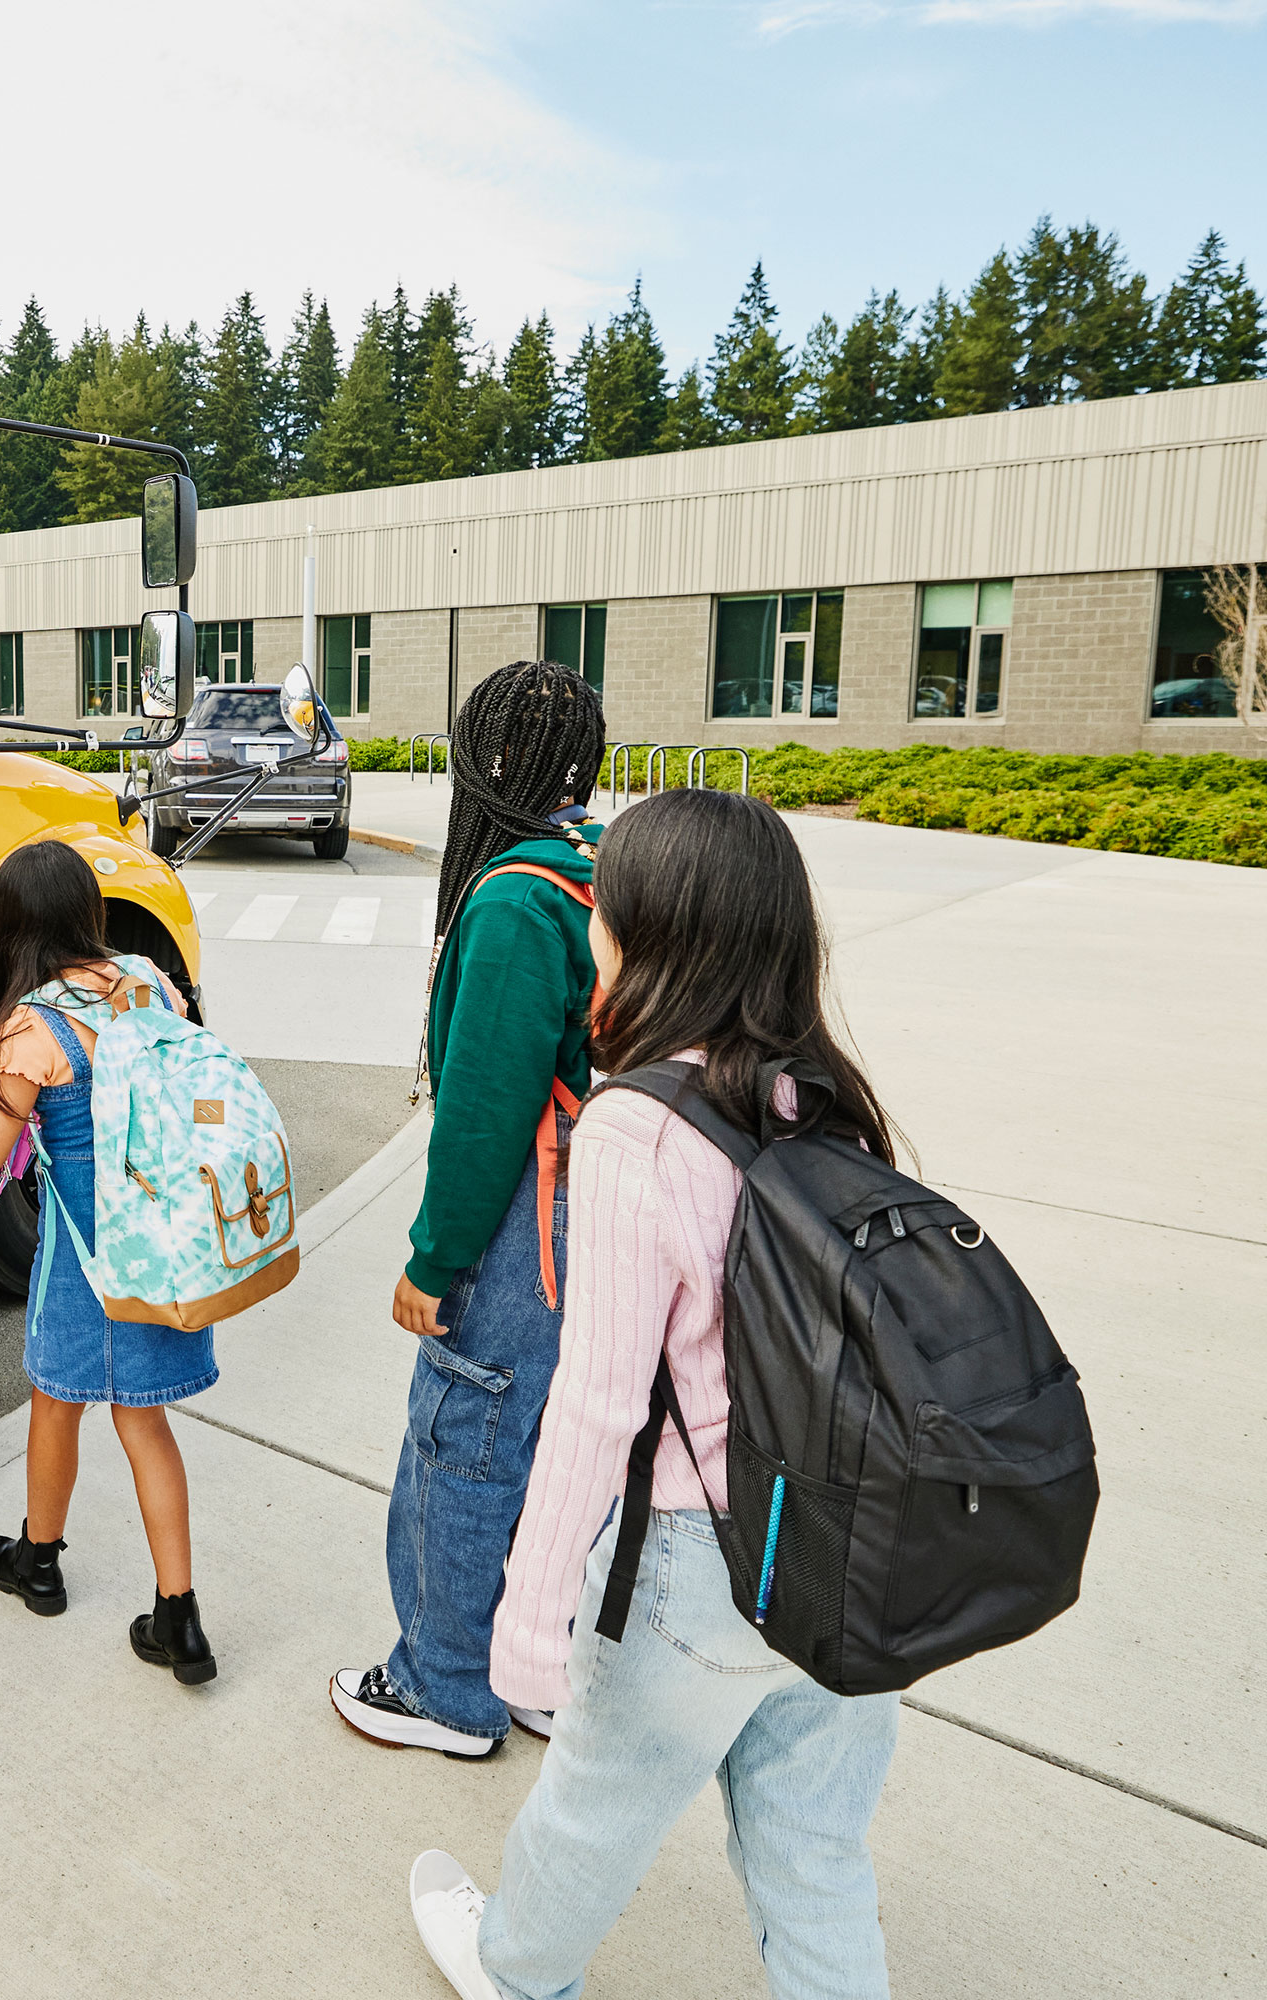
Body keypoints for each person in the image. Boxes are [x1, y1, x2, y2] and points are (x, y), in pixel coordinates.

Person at [408, 787, 906, 2000]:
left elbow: (599, 1402)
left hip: (704, 1555)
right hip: (851, 1541)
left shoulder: (640, 1121)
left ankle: (514, 1971)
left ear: (654, 935)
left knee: (587, 1815)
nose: (592, 932)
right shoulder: (824, 1093)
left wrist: (527, 1630)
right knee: (815, 1850)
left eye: (606, 909)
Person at [335, 660, 607, 1759]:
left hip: (527, 1224)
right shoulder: (600, 868)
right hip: (601, 1211)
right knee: (547, 1446)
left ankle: (446, 1686)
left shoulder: (513, 899)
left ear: (485, 766)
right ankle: (534, 1662)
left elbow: (487, 1114)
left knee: (467, 1440)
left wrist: (434, 1260)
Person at [0, 841, 217, 1685]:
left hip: (86, 1257)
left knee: (56, 1403)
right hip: (164, 1242)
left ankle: (41, 1561)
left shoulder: (31, 1030)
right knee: (145, 1421)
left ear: (19, 927)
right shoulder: (148, 979)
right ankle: (180, 1620)